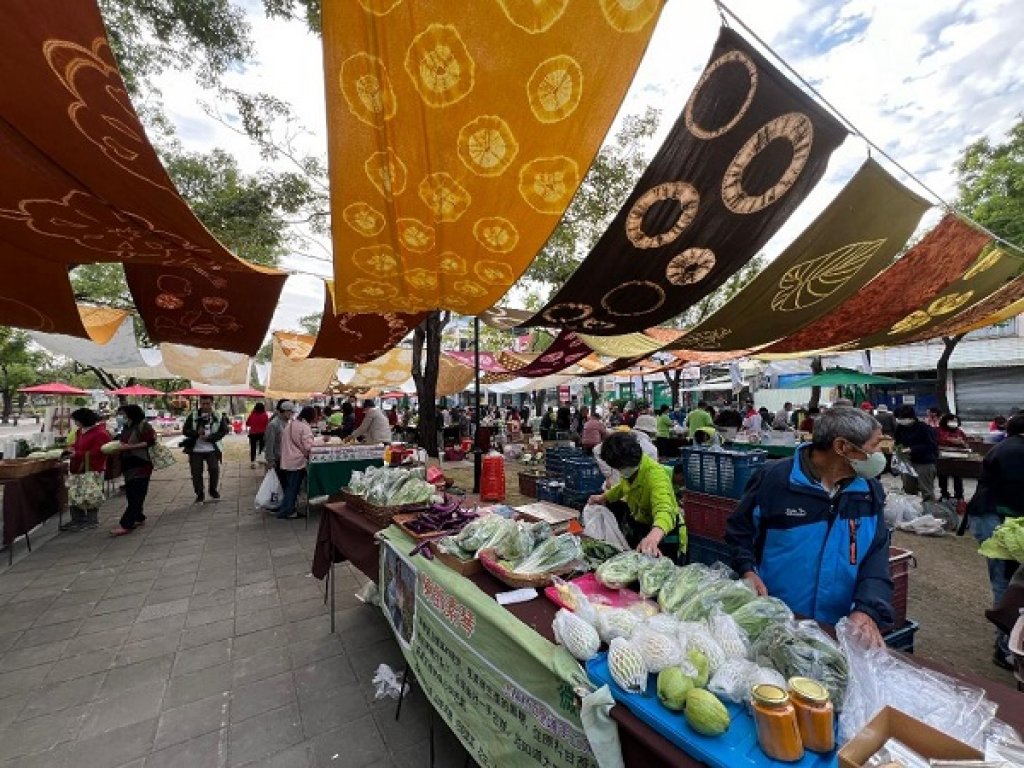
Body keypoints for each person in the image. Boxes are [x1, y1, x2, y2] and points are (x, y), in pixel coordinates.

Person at [725, 407, 892, 646]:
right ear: (842, 447)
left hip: (838, 630)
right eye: (874, 445)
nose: (879, 454)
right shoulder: (775, 480)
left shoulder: (868, 492)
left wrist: (867, 609)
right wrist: (747, 570)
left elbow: (877, 555)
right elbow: (739, 531)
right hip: (775, 621)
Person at [966, 413, 1024, 669]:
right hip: (997, 521)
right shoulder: (1014, 451)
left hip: (995, 519)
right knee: (1008, 584)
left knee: (1008, 583)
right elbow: (1017, 490)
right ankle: (1004, 648)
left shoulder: (1008, 447)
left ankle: (1007, 644)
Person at [587, 432, 683, 560]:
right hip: (642, 524)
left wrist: (654, 536)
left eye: (619, 467)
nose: (619, 471)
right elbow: (623, 487)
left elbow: (665, 509)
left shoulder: (655, 475)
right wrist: (604, 497)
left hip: (663, 534)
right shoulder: (630, 469)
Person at [110, 404, 157, 536]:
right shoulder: (126, 426)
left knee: (137, 494)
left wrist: (131, 446)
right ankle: (138, 516)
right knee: (131, 493)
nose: (122, 417)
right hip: (128, 464)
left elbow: (150, 442)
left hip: (142, 464)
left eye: (123, 414)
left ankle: (126, 524)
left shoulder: (144, 426)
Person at [62, 408, 111, 532]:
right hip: (77, 468)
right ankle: (77, 519)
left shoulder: (100, 433)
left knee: (90, 495)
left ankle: (91, 520)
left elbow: (98, 452)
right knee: (74, 495)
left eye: (76, 420)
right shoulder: (80, 431)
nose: (75, 423)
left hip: (92, 468)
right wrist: (72, 449)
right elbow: (77, 445)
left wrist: (77, 454)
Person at [182, 395, 230, 504]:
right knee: (196, 472)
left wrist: (210, 438)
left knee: (214, 469)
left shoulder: (218, 415)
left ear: (212, 403)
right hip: (195, 450)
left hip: (212, 449)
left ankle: (212, 490)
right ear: (200, 403)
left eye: (207, 404)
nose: (205, 406)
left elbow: (224, 430)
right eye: (203, 404)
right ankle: (199, 494)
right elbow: (185, 430)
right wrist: (196, 433)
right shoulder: (193, 415)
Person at [893, 405, 939, 515]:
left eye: (903, 418)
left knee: (926, 489)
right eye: (899, 418)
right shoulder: (900, 428)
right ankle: (912, 513)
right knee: (908, 489)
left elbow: (931, 446)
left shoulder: (923, 428)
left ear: (911, 417)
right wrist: (896, 449)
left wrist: (912, 449)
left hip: (924, 462)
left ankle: (929, 513)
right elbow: (897, 442)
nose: (901, 421)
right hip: (907, 462)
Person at [278, 405, 315, 520]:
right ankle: (287, 511)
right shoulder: (304, 427)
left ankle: (286, 509)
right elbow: (308, 446)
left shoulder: (291, 424)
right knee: (293, 487)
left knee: (290, 486)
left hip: (287, 460)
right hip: (296, 461)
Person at [936, 412, 969, 504]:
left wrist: (962, 443)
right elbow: (940, 439)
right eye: (951, 421)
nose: (953, 423)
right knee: (942, 477)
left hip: (957, 458)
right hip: (943, 458)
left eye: (955, 421)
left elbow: (965, 443)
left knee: (958, 478)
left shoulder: (959, 431)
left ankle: (959, 496)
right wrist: (953, 441)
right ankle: (944, 494)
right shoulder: (939, 430)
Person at [263, 400, 294, 486]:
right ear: (285, 412)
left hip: (287, 459)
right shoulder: (273, 424)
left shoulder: (288, 422)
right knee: (281, 484)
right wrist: (270, 461)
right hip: (277, 460)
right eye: (291, 412)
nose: (292, 415)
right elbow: (269, 444)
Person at [245, 402, 269, 469]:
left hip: (253, 434)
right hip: (262, 434)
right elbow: (267, 424)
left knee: (253, 448)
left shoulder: (252, 414)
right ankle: (261, 461)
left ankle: (253, 462)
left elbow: (248, 423)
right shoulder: (265, 415)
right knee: (261, 448)